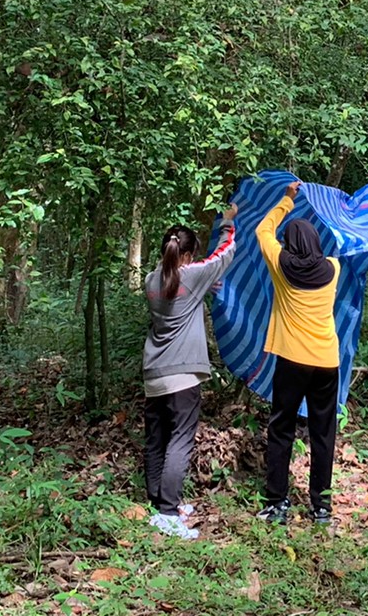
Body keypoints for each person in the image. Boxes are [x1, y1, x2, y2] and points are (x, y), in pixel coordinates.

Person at [140, 202, 238, 540]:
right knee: (180, 440)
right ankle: (168, 513)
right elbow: (223, 256)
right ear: (186, 256)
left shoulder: (151, 280)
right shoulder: (191, 275)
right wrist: (227, 223)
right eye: (192, 255)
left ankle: (159, 502)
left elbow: (176, 287)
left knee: (156, 439)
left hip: (155, 374)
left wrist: (203, 286)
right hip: (183, 375)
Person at [254, 181, 342, 525]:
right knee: (323, 433)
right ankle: (321, 506)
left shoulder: (281, 264)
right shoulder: (333, 268)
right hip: (327, 362)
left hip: (292, 359)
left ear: (289, 244)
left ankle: (277, 502)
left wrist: (287, 199)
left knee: (281, 428)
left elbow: (263, 230)